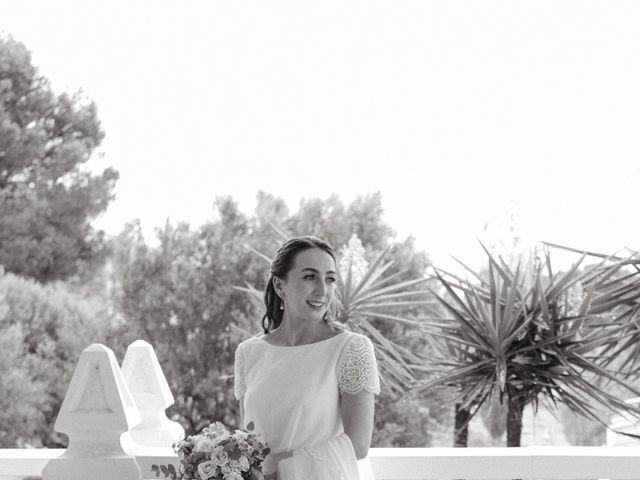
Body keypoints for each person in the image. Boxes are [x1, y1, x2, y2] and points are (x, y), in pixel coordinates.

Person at [233, 236, 381, 480]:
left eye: (330, 279)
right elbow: (247, 438)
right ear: (280, 286)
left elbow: (358, 444)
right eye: (310, 276)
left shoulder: (351, 348)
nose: (323, 290)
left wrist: (278, 464)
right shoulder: (248, 352)